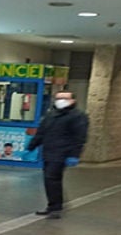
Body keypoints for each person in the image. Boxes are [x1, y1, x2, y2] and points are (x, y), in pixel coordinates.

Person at [26, 90, 89, 219]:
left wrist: (74, 155)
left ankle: (55, 208)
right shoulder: (51, 115)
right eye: (58, 98)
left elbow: (79, 137)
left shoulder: (78, 117)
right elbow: (41, 133)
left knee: (52, 179)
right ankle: (54, 206)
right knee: (50, 180)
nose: (60, 101)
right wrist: (31, 147)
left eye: (64, 98)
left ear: (73, 101)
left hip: (62, 153)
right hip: (49, 152)